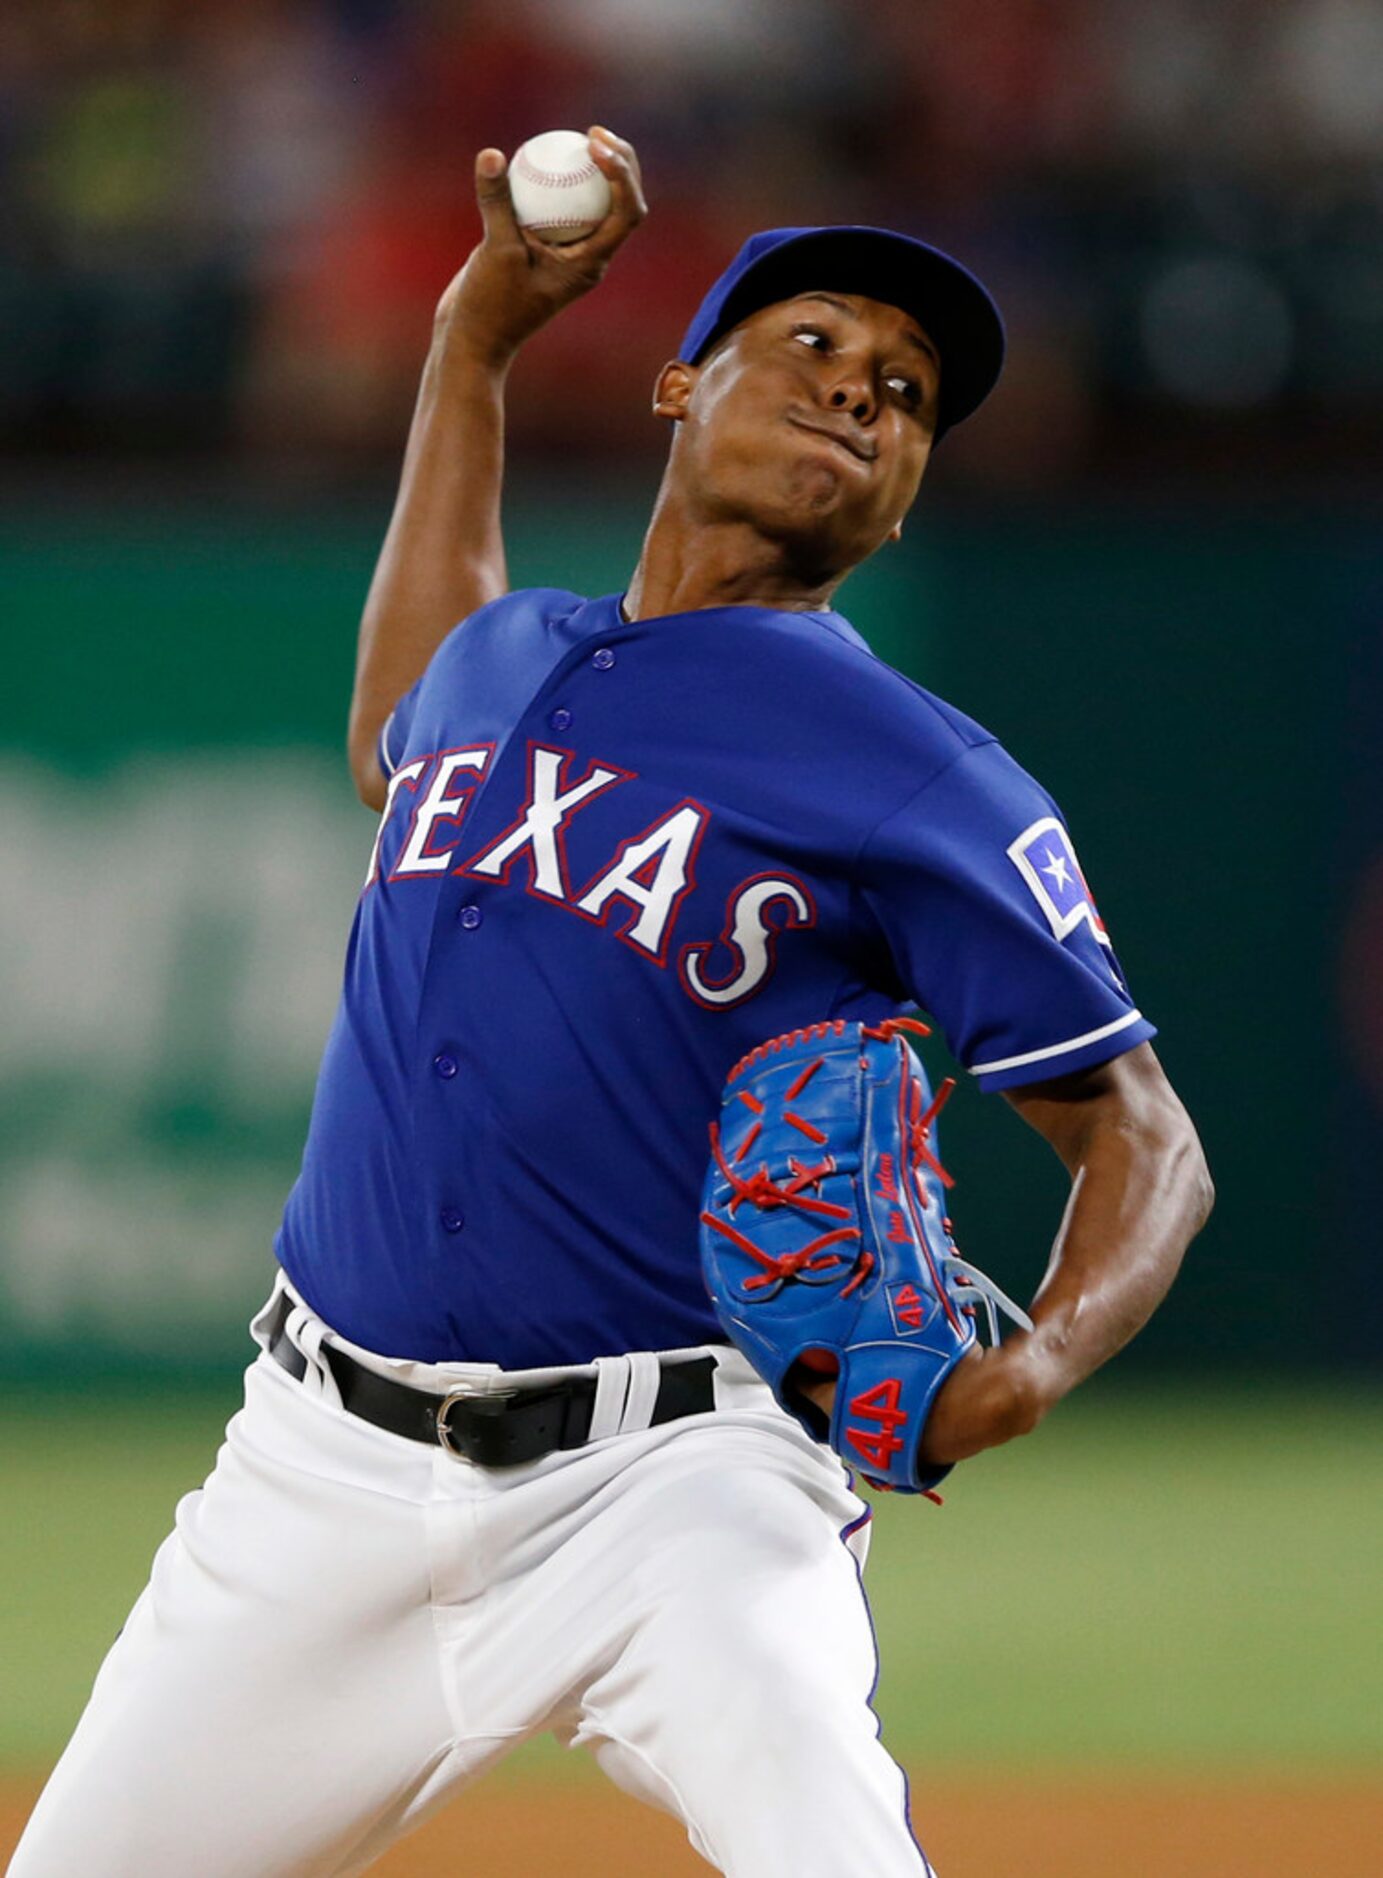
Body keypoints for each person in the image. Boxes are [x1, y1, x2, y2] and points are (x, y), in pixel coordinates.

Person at [10, 129, 1213, 1878]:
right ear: (679, 382)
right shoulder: (504, 661)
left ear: (908, 486)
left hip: (678, 1484)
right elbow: (390, 726)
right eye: (813, 346)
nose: (864, 395)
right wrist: (470, 346)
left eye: (905, 392)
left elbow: (1146, 1136)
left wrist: (1028, 1366)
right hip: (314, 1476)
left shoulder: (914, 766)